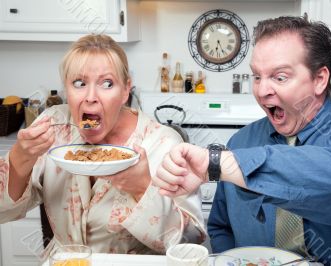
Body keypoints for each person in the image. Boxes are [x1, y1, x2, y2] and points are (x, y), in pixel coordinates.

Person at [153, 16, 331, 265]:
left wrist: (219, 164)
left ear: (319, 79)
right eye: (257, 77)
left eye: (280, 77)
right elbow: (221, 226)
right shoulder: (241, 142)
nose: (262, 91)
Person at [0, 34, 205, 258]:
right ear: (66, 89)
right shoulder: (54, 127)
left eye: (107, 84)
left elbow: (191, 244)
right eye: (79, 83)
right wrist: (20, 159)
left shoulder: (163, 143)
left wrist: (142, 188)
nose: (90, 97)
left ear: (126, 90)